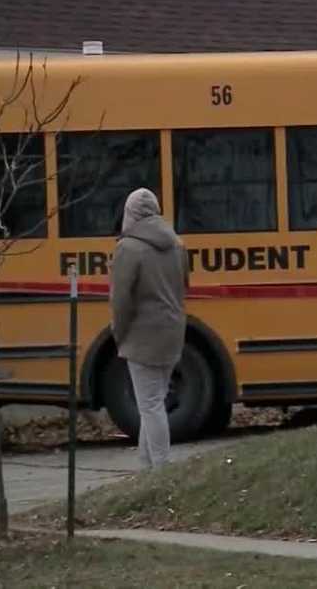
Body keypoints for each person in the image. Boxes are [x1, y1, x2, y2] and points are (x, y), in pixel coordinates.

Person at [110, 188, 188, 470]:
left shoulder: (127, 248)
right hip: (173, 332)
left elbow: (121, 300)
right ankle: (146, 468)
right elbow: (183, 287)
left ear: (130, 213)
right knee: (152, 402)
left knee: (151, 405)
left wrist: (119, 333)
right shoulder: (177, 245)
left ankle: (162, 467)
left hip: (141, 336)